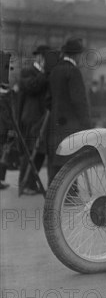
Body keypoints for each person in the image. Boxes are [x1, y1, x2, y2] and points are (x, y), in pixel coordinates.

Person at [46, 38, 92, 183]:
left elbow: (48, 99)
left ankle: (54, 192)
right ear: (76, 55)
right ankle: (70, 193)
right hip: (71, 125)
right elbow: (79, 101)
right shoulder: (73, 72)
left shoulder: (55, 70)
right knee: (70, 159)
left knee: (57, 158)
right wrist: (87, 124)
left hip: (55, 123)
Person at [17, 45, 51, 195]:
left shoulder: (46, 73)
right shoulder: (28, 71)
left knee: (40, 153)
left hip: (43, 118)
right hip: (30, 117)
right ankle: (24, 183)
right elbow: (33, 87)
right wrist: (44, 73)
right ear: (39, 57)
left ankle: (31, 183)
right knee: (30, 151)